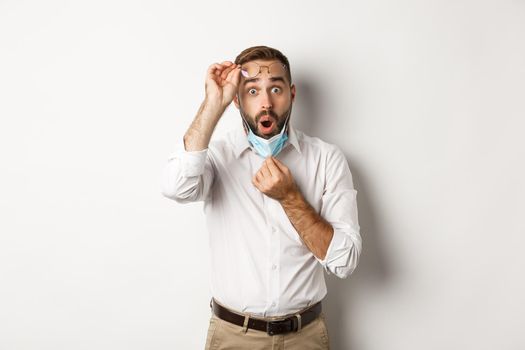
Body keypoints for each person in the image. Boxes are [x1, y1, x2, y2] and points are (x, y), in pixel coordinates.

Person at [161, 45, 362, 350]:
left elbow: (344, 262)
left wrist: (291, 198)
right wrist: (213, 104)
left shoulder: (326, 159)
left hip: (304, 337)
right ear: (238, 99)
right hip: (232, 337)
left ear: (292, 94)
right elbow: (176, 186)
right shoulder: (217, 156)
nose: (266, 103)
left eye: (276, 89)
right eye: (252, 91)